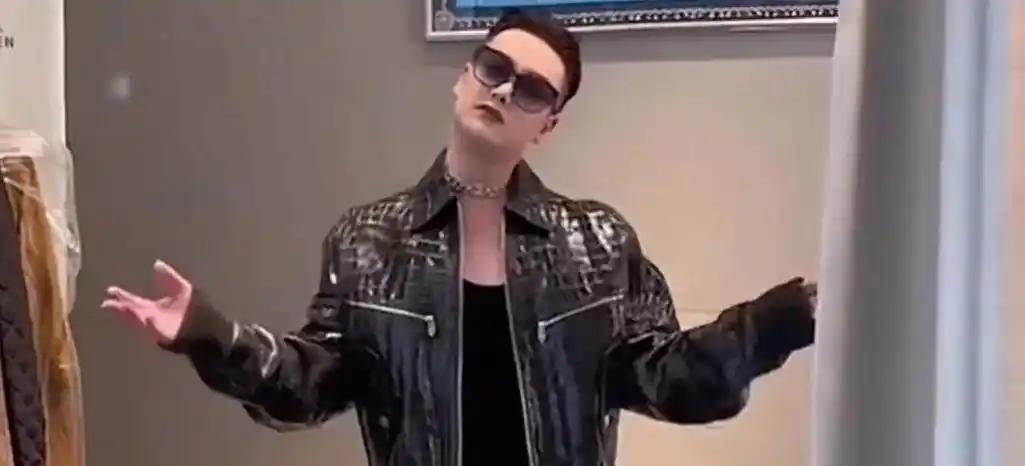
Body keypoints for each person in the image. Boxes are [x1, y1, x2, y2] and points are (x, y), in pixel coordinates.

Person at [102, 10, 817, 466]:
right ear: (463, 77)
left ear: (548, 125)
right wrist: (210, 334)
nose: (503, 91)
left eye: (531, 90)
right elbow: (310, 386)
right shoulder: (367, 241)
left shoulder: (596, 243)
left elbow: (669, 381)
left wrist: (773, 322)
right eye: (494, 69)